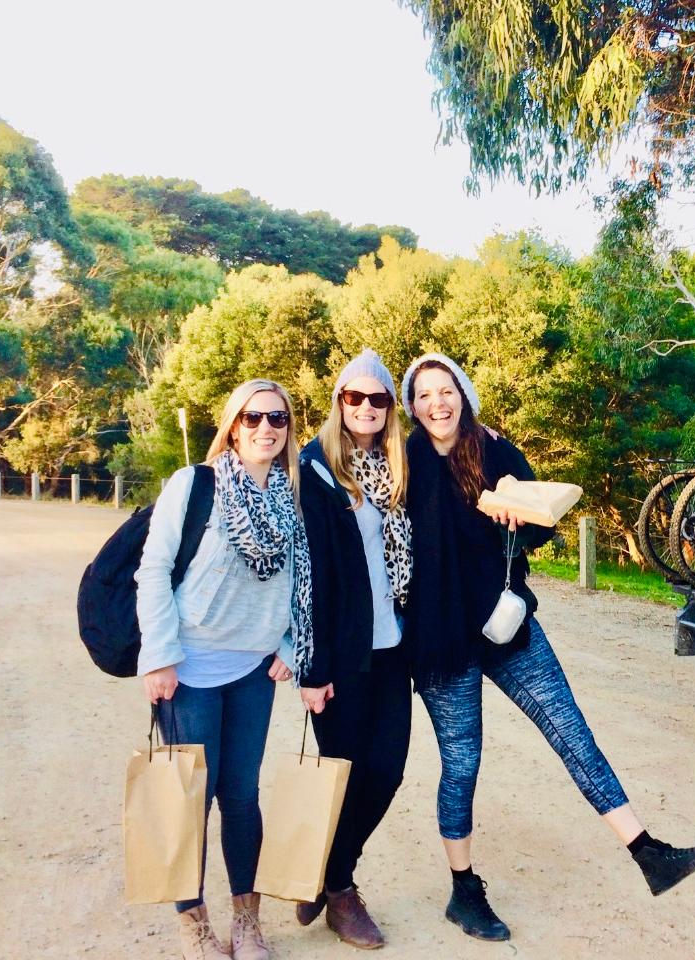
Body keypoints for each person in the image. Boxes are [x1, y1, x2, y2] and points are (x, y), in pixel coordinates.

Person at [400, 352, 695, 942]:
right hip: (441, 639)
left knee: (572, 732)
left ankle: (649, 853)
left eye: (446, 391)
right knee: (462, 763)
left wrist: (516, 516)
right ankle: (464, 890)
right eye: (424, 395)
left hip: (506, 624)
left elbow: (544, 522)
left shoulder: (494, 450)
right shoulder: (403, 462)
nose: (437, 403)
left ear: (463, 395)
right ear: (412, 407)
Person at [136, 378, 311, 960]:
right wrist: (160, 655)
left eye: (278, 418)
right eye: (252, 417)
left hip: (253, 670)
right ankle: (194, 924)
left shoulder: (291, 498)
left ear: (288, 429)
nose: (266, 427)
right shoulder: (195, 484)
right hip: (189, 669)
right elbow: (154, 569)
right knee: (189, 800)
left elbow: (301, 584)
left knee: (241, 797)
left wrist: (289, 645)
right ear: (233, 426)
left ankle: (246, 920)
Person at [293, 349, 414, 949]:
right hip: (341, 654)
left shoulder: (399, 466)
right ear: (338, 401)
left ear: (390, 407)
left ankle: (327, 872)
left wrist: (485, 432)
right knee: (343, 774)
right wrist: (312, 669)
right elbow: (308, 574)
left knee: (386, 771)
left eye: (377, 398)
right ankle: (341, 891)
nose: (365, 406)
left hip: (392, 648)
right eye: (353, 396)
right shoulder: (314, 469)